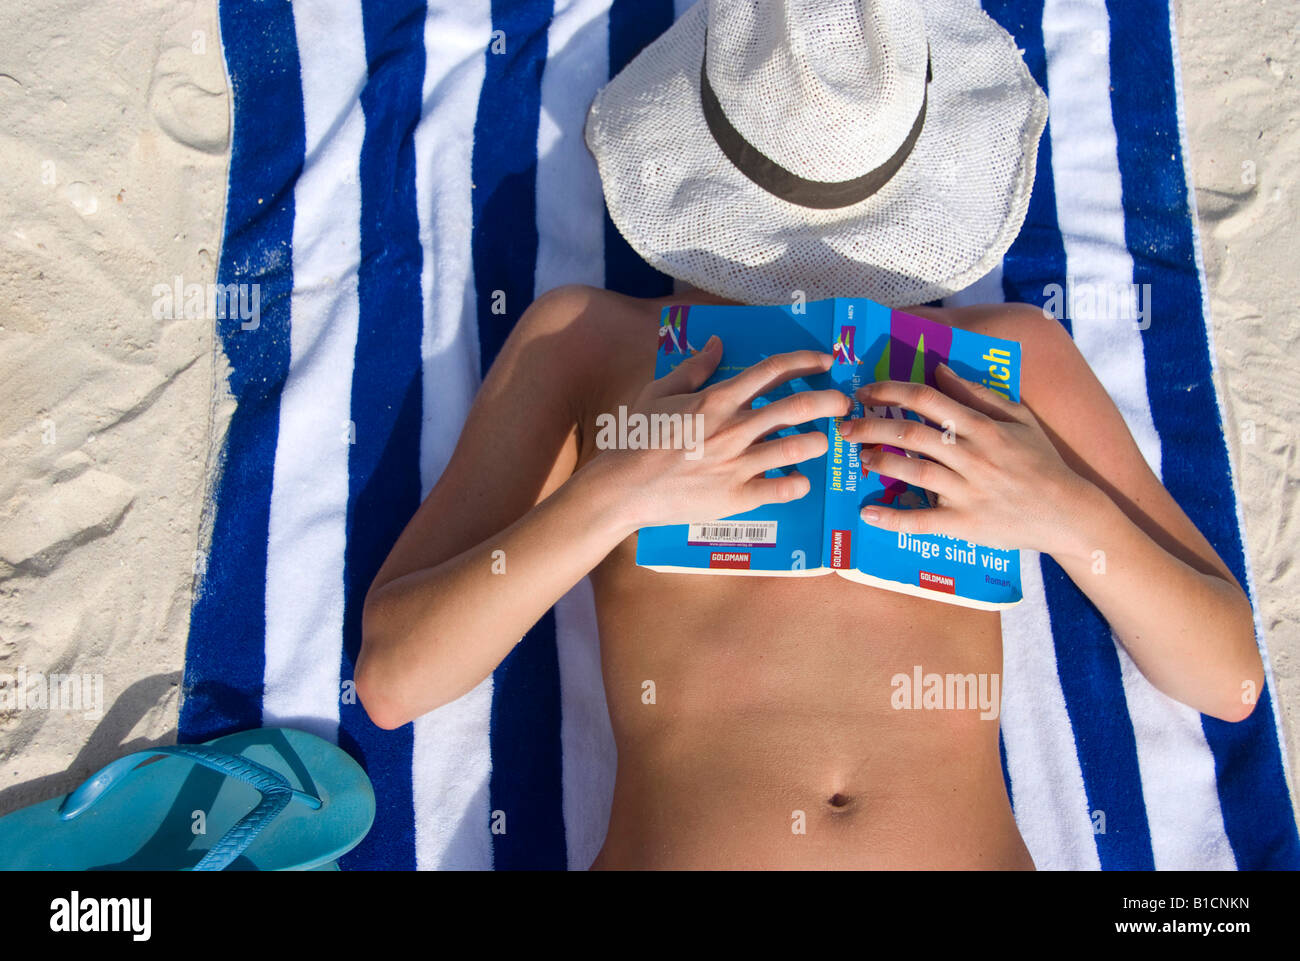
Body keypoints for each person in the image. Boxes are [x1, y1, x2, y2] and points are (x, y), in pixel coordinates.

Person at [354, 0, 1262, 868]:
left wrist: (1063, 512)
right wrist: (617, 493)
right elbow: (396, 679)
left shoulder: (1011, 355)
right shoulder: (586, 346)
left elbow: (1228, 679)